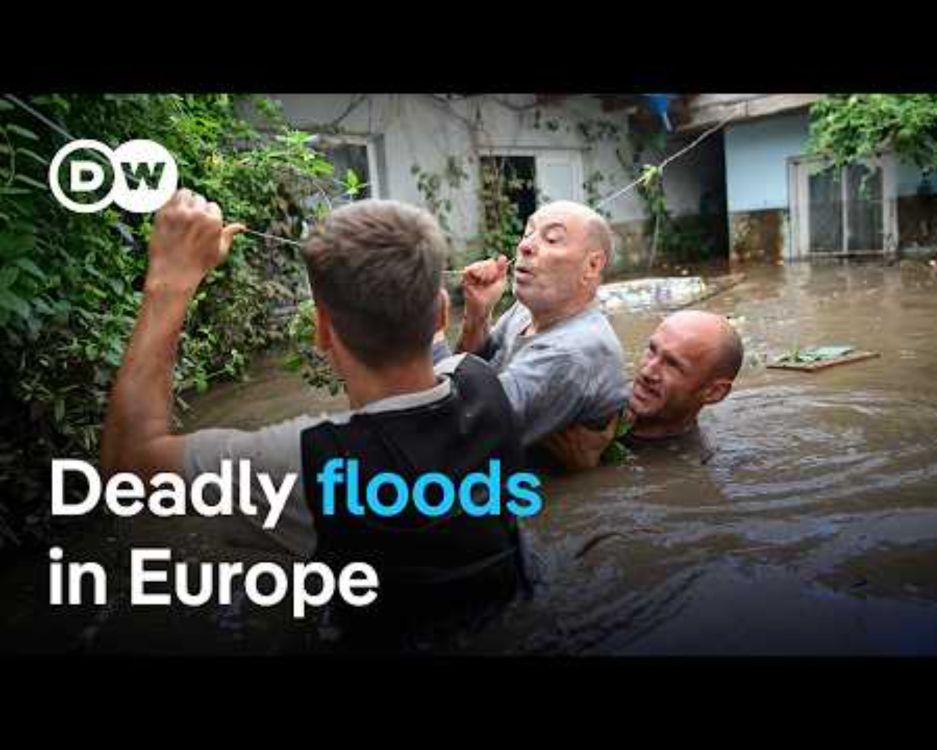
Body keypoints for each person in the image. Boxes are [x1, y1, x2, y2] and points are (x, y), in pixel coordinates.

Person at [100, 191, 528, 646]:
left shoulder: (309, 460)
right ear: (442, 311)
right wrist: (478, 314)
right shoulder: (481, 381)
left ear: (321, 330)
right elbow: (442, 365)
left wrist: (170, 281)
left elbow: (127, 468)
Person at [434, 200, 629, 453]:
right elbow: (471, 369)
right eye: (528, 234)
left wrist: (431, 331)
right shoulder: (527, 310)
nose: (525, 246)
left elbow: (458, 429)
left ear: (592, 266)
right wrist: (478, 315)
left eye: (552, 239)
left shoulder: (572, 351)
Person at [544, 310, 744, 468]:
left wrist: (584, 472)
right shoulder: (590, 396)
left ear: (713, 392)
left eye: (673, 364)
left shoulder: (690, 467)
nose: (647, 371)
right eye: (652, 350)